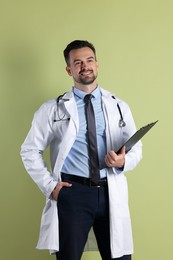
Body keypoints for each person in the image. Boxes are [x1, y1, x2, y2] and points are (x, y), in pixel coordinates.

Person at [20, 40, 142, 260]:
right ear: (69, 69)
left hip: (110, 191)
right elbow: (29, 151)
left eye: (89, 60)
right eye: (78, 62)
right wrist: (50, 187)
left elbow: (136, 147)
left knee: (119, 257)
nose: (85, 66)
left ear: (97, 64)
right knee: (69, 257)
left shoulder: (118, 106)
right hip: (72, 193)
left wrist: (122, 161)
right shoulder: (52, 109)